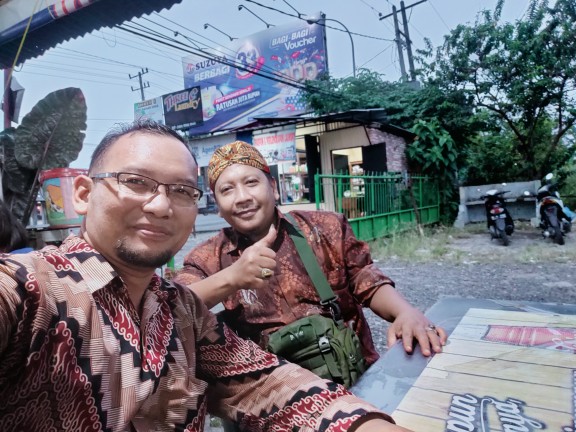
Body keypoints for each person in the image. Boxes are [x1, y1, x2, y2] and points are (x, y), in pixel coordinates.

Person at [0, 120, 411, 432]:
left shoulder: (179, 312)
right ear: (84, 194)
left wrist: (364, 423)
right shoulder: (30, 290)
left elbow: (267, 383)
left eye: (181, 191)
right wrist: (234, 276)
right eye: (135, 182)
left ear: (273, 187)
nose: (161, 206)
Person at [174, 141, 447, 373]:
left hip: (354, 379)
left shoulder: (325, 227)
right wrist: (232, 278)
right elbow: (173, 306)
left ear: (274, 187)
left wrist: (405, 312)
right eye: (227, 190)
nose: (242, 197)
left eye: (251, 182)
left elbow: (365, 278)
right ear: (218, 206)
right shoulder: (208, 256)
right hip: (273, 396)